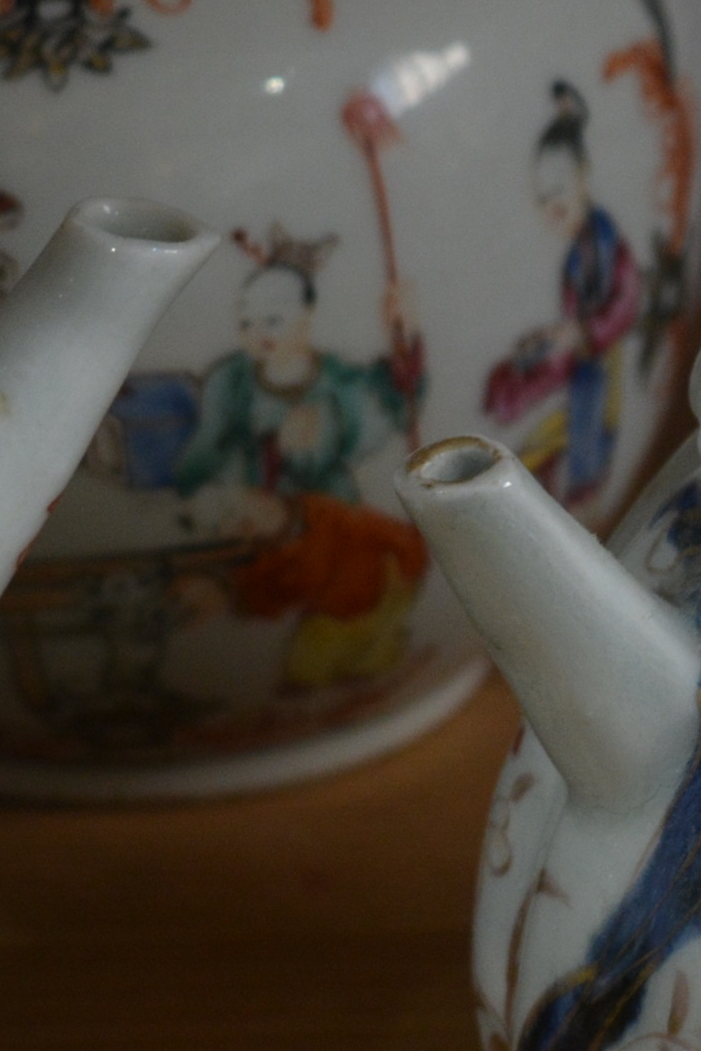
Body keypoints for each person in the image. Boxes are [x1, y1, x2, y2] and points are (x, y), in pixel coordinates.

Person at [169, 229, 431, 693]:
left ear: (306, 318)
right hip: (252, 519)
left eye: (275, 320)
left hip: (327, 519)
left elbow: (389, 408)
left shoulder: (337, 381)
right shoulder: (229, 382)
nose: (260, 334)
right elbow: (202, 456)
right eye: (248, 321)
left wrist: (404, 340)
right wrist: (222, 494)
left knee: (349, 590)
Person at [481, 83, 642, 503]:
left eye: (559, 190)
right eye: (541, 199)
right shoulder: (576, 254)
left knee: (555, 463)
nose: (551, 207)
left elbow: (626, 302)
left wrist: (579, 335)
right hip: (580, 371)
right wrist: (553, 340)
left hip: (601, 377)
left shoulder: (608, 244)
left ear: (584, 176)